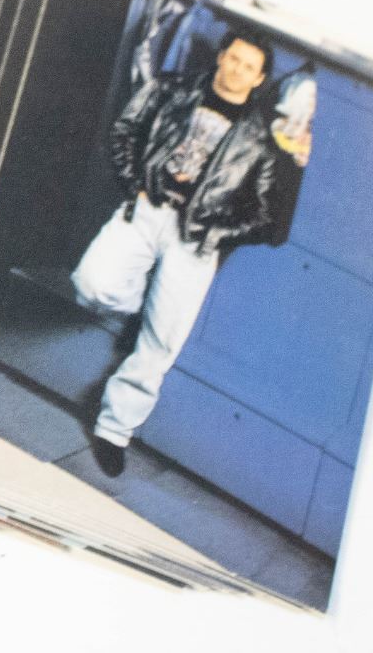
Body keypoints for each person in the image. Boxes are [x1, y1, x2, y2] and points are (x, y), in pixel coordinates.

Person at [71, 31, 284, 477]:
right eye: (233, 58)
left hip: (197, 239)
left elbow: (265, 215)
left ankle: (114, 430)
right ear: (221, 57)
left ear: (259, 78)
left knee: (162, 342)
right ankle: (138, 304)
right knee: (91, 284)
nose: (237, 70)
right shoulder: (171, 88)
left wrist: (214, 230)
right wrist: (136, 184)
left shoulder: (261, 140)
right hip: (147, 208)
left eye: (248, 66)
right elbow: (125, 130)